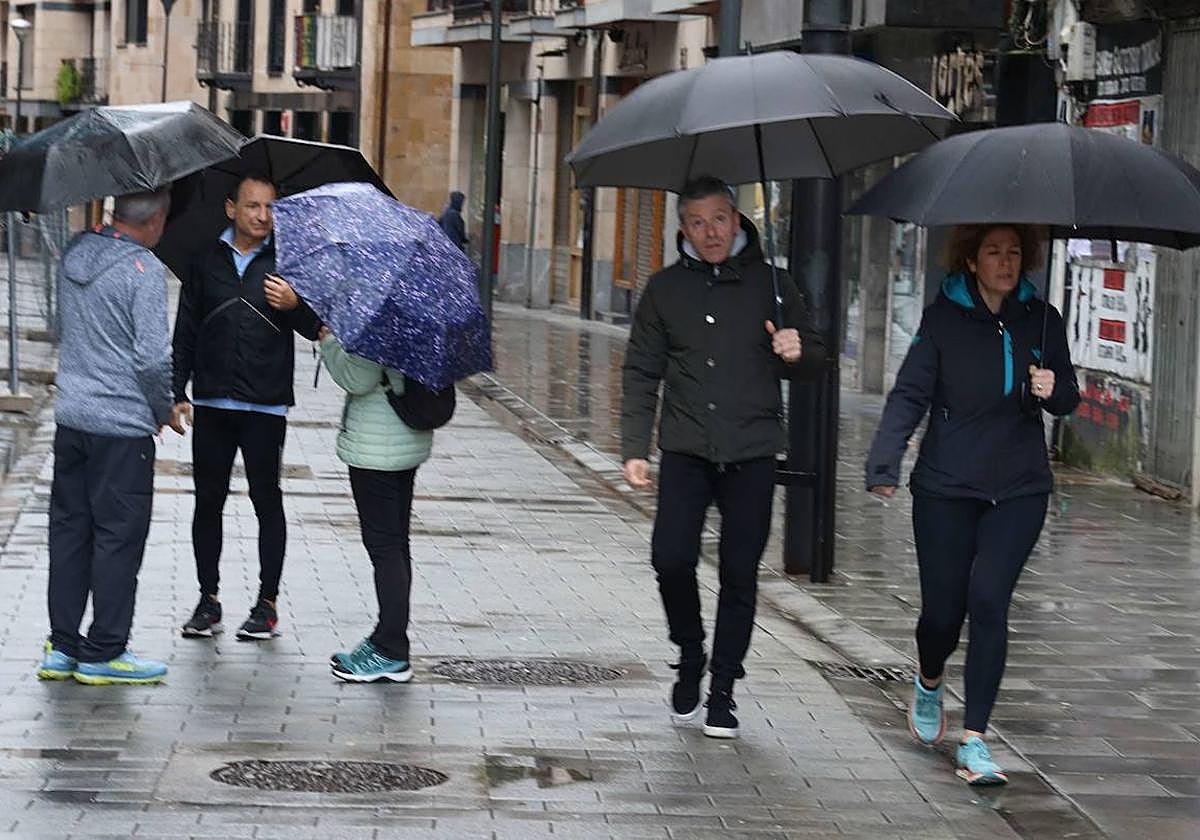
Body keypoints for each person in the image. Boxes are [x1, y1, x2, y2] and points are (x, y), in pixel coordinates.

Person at [865, 224, 1080, 785]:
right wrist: (884, 463)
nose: (1005, 263)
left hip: (1020, 487)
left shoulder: (1043, 320)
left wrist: (1049, 387)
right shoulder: (941, 321)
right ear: (971, 258)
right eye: (993, 252)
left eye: (1014, 253)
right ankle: (930, 677)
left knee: (989, 599)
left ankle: (976, 738)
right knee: (943, 612)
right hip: (946, 486)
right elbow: (910, 392)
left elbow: (1069, 397)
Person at [621, 175, 825, 739]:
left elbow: (815, 359)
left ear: (737, 220)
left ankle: (723, 690)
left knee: (740, 573)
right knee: (670, 558)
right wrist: (634, 448)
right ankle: (690, 653)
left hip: (752, 451)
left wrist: (797, 348)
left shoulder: (774, 284)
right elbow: (641, 371)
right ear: (682, 228)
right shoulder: (664, 290)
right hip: (686, 449)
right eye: (697, 222)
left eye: (719, 218)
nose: (710, 232)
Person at [40, 187, 184, 685]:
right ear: (157, 220)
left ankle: (62, 647)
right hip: (121, 430)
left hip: (73, 419)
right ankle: (104, 650)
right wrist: (165, 409)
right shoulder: (142, 271)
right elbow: (150, 359)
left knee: (69, 533)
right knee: (118, 539)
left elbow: (63, 326)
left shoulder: (76, 251)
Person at [171, 172, 322, 641]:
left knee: (266, 500)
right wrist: (176, 392)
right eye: (253, 206)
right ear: (230, 208)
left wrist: (295, 303)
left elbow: (316, 327)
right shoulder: (204, 261)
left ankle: (267, 603)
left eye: (270, 207)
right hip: (213, 401)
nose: (262, 216)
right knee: (208, 502)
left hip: (265, 404)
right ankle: (208, 599)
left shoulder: (288, 262)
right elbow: (186, 330)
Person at [318, 326, 433, 683]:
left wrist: (328, 341)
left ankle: (391, 650)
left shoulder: (381, 320)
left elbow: (357, 378)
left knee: (384, 547)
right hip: (405, 439)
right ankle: (388, 638)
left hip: (376, 447)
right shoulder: (421, 316)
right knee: (397, 545)